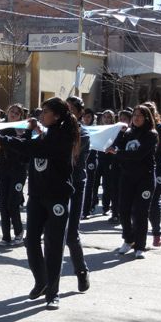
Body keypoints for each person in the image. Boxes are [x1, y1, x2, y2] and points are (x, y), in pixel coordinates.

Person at [0, 97, 80, 309]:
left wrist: (2, 139)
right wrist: (26, 133)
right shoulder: (45, 134)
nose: (41, 115)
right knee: (31, 240)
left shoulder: (63, 136)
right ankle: (41, 281)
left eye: (45, 112)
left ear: (57, 116)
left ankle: (53, 292)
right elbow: (28, 152)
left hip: (57, 197)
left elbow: (35, 148)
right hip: (37, 195)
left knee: (53, 245)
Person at [110, 105, 158, 259]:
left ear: (146, 118)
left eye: (140, 115)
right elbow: (116, 146)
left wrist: (118, 153)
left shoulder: (151, 135)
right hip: (127, 177)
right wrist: (120, 133)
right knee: (123, 210)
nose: (136, 118)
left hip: (145, 179)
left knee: (140, 213)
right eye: (134, 115)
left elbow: (138, 155)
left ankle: (140, 246)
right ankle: (128, 239)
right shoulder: (128, 133)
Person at [64, 96, 91, 292]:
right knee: (51, 235)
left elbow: (72, 158)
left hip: (75, 185)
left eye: (71, 109)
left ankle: (81, 271)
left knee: (71, 235)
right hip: (55, 187)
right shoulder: (53, 130)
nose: (67, 112)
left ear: (80, 113)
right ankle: (47, 282)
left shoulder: (83, 133)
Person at [0, 103, 30, 246]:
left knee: (12, 203)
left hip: (18, 171)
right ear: (7, 112)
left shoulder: (24, 129)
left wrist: (21, 135)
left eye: (17, 113)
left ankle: (19, 232)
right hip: (3, 169)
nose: (14, 114)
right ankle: (6, 236)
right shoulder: (0, 127)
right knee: (3, 203)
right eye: (12, 111)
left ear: (21, 116)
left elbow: (27, 149)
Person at [142, 102, 161, 247]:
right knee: (136, 205)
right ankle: (136, 237)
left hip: (157, 170)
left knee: (154, 203)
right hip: (139, 171)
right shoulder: (137, 129)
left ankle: (156, 233)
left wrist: (148, 144)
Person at [95, 110, 116, 218]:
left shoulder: (114, 130)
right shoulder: (98, 129)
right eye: (105, 117)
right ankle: (91, 205)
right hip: (98, 159)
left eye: (109, 117)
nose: (106, 119)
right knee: (94, 184)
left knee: (107, 185)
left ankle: (106, 207)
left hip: (109, 159)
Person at [79, 107, 99, 219]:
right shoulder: (79, 128)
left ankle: (86, 210)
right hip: (81, 159)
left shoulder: (97, 129)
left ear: (92, 118)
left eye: (88, 117)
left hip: (91, 159)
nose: (86, 119)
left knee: (89, 185)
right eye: (84, 116)